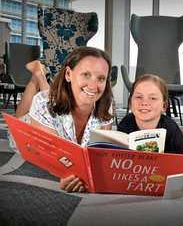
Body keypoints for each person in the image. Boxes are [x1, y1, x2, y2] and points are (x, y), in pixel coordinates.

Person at [10, 46, 113, 193]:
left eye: (101, 78)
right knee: (21, 116)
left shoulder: (106, 104)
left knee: (49, 95)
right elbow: (52, 159)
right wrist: (67, 175)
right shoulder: (43, 104)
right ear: (69, 74)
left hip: (55, 102)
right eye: (86, 74)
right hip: (28, 132)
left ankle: (41, 77)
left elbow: (102, 150)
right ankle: (37, 76)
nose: (93, 85)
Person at [117, 74, 183, 169]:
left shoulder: (169, 126)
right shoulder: (125, 123)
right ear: (130, 103)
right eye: (139, 97)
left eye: (153, 98)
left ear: (164, 106)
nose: (144, 103)